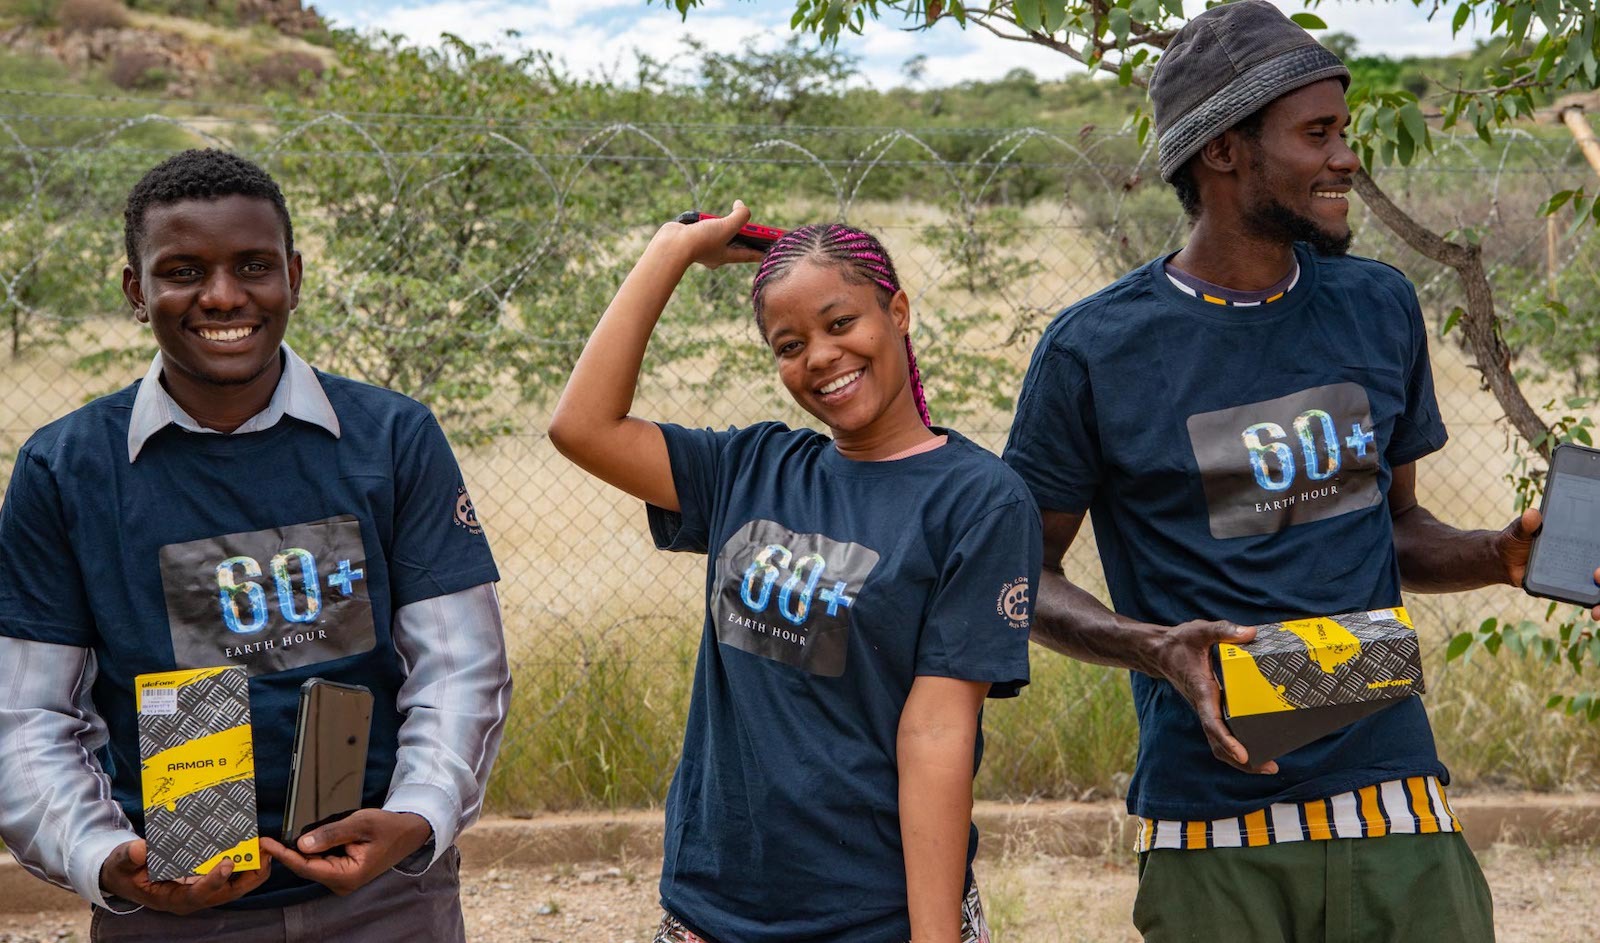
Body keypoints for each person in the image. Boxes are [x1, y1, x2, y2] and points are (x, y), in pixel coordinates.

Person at [1000, 3, 1587, 939]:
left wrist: (1493, 554)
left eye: (1343, 132)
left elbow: (1395, 527)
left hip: (1393, 796)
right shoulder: (1096, 351)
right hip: (1209, 821)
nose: (1347, 158)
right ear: (1225, 151)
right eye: (1318, 134)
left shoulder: (1377, 306)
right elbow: (1019, 571)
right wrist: (1154, 646)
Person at [0, 149, 511, 941]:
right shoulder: (65, 469)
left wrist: (416, 815)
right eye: (182, 270)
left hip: (384, 904)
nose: (224, 296)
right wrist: (105, 856)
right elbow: (25, 715)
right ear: (137, 291)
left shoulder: (391, 437)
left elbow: (460, 665)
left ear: (294, 277)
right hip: (170, 911)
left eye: (252, 265)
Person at [549, 206, 1038, 943]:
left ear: (897, 312)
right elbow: (580, 426)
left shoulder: (977, 500)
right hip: (714, 910)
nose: (819, 356)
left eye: (841, 323)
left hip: (872, 915)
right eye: (790, 343)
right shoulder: (748, 470)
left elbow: (936, 732)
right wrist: (671, 252)